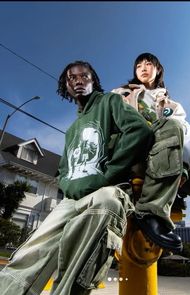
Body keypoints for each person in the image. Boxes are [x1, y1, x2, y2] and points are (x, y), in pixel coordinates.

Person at [0, 60, 154, 295]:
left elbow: (139, 131)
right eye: (72, 78)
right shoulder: (72, 129)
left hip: (103, 189)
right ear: (66, 87)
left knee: (108, 203)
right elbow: (63, 168)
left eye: (84, 76)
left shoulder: (109, 102)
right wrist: (65, 184)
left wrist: (107, 175)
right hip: (70, 200)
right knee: (30, 254)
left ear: (94, 81)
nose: (78, 80)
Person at [112, 52, 190, 252]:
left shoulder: (170, 103)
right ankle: (150, 211)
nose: (143, 67)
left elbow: (185, 133)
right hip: (136, 152)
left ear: (158, 70)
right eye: (139, 65)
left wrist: (184, 165)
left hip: (168, 154)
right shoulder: (121, 93)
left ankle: (175, 187)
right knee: (170, 126)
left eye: (149, 64)